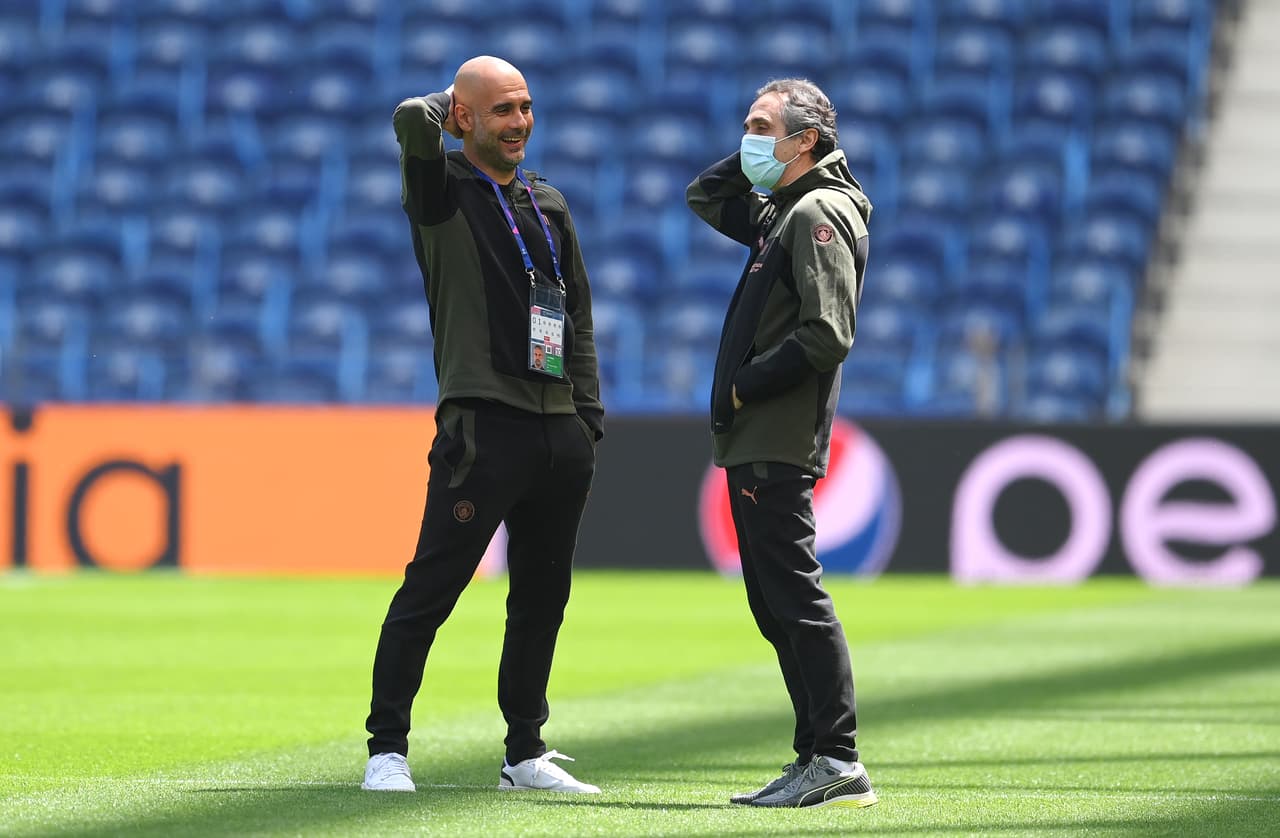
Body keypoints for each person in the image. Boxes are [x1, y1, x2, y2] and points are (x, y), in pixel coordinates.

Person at [362, 56, 604, 795]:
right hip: (481, 424)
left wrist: (587, 416)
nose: (521, 122)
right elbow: (410, 120)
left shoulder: (549, 202)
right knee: (432, 588)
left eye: (527, 107)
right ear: (464, 118)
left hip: (557, 431)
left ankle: (524, 754)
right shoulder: (439, 192)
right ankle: (387, 751)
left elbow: (578, 317)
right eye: (502, 109)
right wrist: (451, 103)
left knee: (542, 598)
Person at [685, 78, 877, 809]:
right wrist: (755, 155)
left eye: (763, 127)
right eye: (745, 126)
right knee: (774, 603)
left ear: (807, 142)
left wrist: (744, 388)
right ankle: (814, 758)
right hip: (757, 437)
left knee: (793, 596)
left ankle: (836, 756)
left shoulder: (817, 211)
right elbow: (705, 196)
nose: (748, 138)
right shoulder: (784, 210)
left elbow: (829, 334)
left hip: (775, 432)